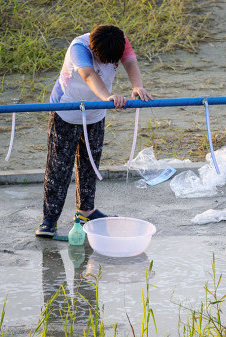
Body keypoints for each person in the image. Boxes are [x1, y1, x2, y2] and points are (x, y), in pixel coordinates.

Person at [36, 25, 152, 237]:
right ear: (93, 49)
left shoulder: (119, 41)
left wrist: (137, 86)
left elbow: (130, 61)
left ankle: (85, 211)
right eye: (102, 58)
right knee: (59, 168)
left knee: (90, 163)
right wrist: (108, 96)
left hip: (95, 114)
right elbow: (88, 74)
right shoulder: (78, 47)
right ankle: (49, 219)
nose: (106, 64)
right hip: (67, 111)